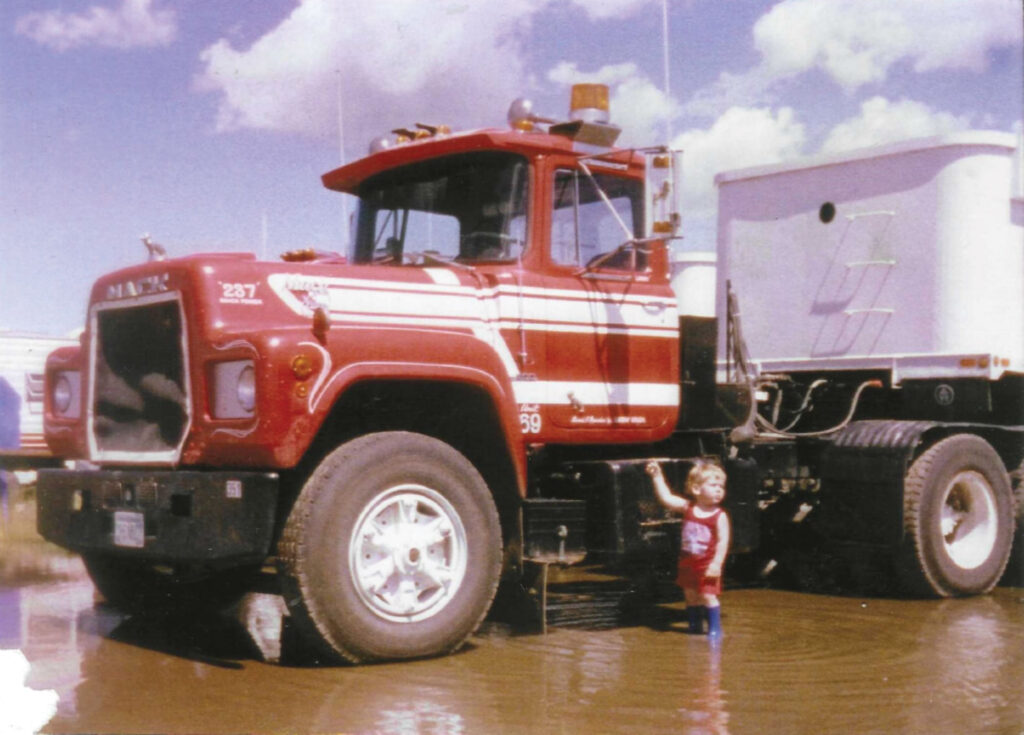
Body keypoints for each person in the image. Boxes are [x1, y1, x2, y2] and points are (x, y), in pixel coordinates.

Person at [646, 459, 731, 637]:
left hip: (707, 565)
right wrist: (657, 477)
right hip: (688, 563)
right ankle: (694, 627)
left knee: (708, 596)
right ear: (696, 489)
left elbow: (723, 541)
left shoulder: (719, 515)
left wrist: (716, 564)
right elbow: (667, 498)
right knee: (691, 596)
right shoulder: (688, 507)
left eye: (721, 486)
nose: (719, 489)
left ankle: (715, 630)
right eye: (713, 485)